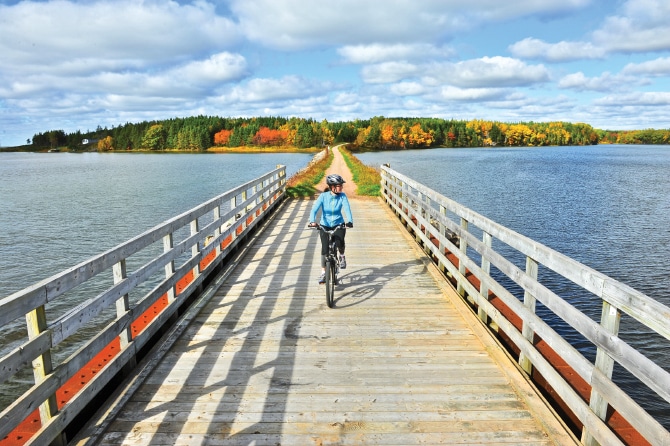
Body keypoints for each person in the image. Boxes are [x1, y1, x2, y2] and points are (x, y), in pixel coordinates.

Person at [308, 173, 354, 284]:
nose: (342, 187)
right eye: (339, 185)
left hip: (338, 223)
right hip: (325, 224)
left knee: (339, 243)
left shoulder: (342, 196)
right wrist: (312, 221)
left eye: (341, 185)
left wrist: (350, 221)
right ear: (332, 187)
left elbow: (347, 209)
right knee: (324, 249)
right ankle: (323, 273)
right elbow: (314, 209)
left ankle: (342, 256)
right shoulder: (323, 196)